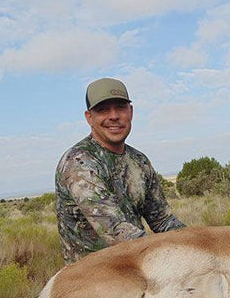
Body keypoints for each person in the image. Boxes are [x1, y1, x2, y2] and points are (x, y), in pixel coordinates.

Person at [55, 77, 185, 263]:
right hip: (93, 279)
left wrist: (202, 241)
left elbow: (163, 221)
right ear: (89, 117)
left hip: (137, 267)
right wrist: (183, 254)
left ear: (130, 112)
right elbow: (117, 232)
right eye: (103, 110)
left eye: (120, 107)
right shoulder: (79, 162)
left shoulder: (139, 161)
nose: (114, 116)